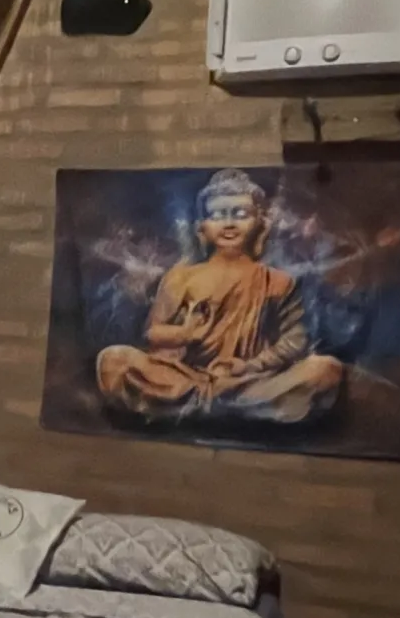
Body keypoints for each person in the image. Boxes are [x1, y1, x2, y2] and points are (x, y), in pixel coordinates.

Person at [96, 168, 345, 425]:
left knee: (325, 371)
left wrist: (249, 366)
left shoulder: (278, 282)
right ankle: (233, 410)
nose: (228, 223)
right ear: (202, 227)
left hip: (249, 382)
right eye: (218, 215)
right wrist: (185, 335)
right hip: (187, 378)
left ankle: (203, 408)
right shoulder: (182, 277)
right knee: (114, 361)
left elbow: (294, 340)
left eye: (240, 214)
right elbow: (153, 333)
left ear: (260, 221)